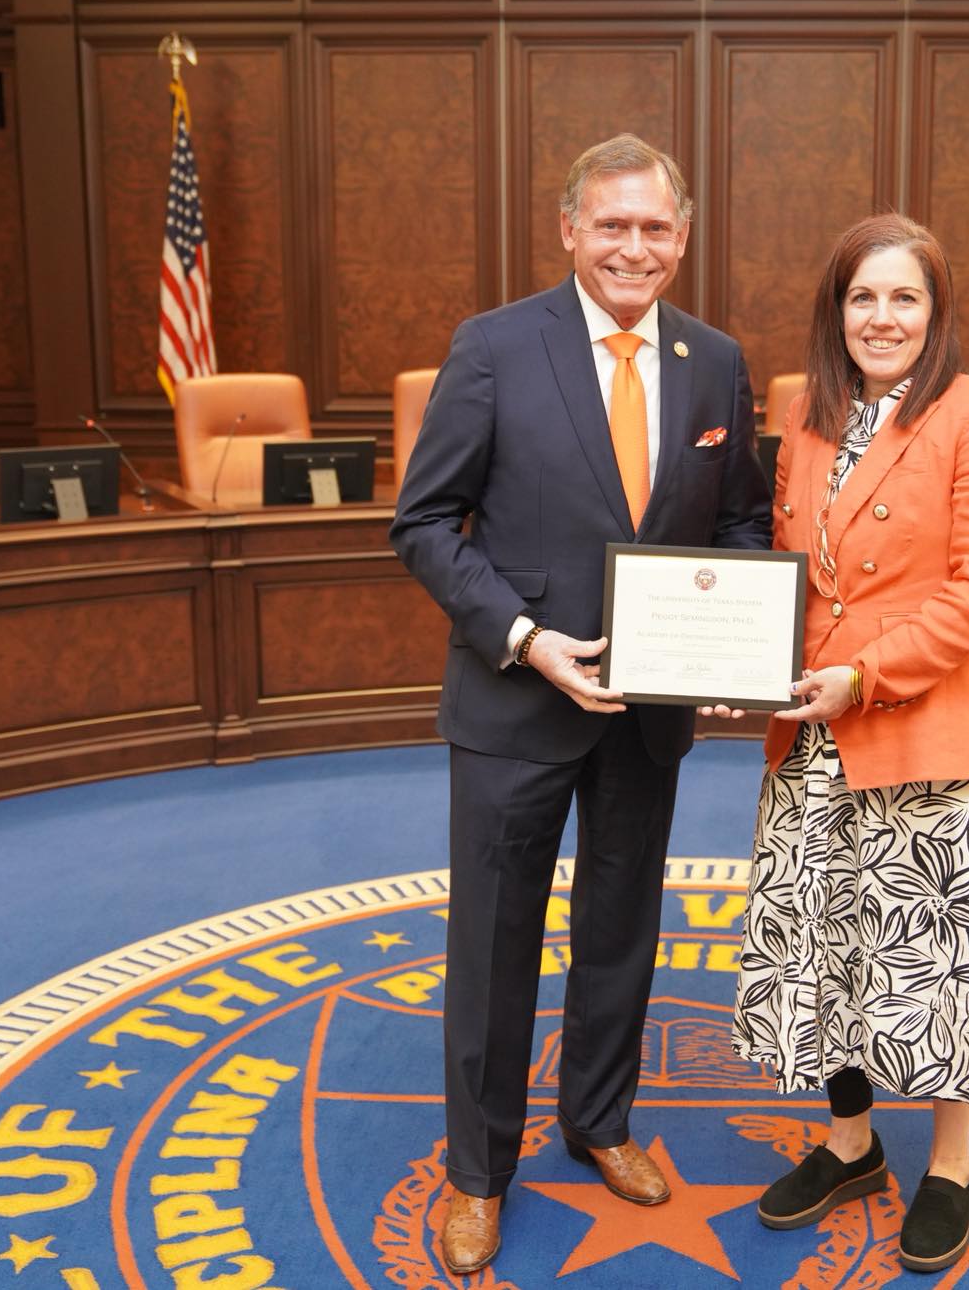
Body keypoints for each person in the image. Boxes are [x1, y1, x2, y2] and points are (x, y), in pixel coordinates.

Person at [390, 134, 772, 1275]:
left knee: (619, 930)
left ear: (682, 238)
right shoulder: (494, 347)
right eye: (611, 225)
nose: (632, 247)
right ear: (567, 229)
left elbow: (740, 520)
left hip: (649, 714)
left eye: (654, 228)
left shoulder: (715, 362)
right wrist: (521, 636)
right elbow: (421, 523)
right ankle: (478, 1173)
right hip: (515, 701)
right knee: (495, 943)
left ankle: (597, 1120)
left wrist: (735, 635)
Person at [726, 213, 969, 1272]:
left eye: (904, 297)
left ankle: (950, 1162)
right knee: (825, 955)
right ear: (835, 310)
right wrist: (740, 667)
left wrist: (863, 675)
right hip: (811, 738)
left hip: (927, 739)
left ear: (936, 311)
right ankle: (849, 1144)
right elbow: (789, 576)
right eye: (862, 296)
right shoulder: (808, 419)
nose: (881, 316)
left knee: (935, 966)